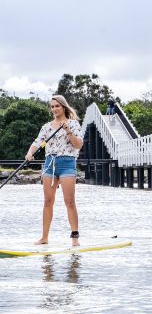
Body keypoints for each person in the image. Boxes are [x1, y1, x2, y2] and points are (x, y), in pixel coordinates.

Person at [25, 95, 83, 246]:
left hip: (67, 162)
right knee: (48, 201)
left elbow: (78, 145)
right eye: (52, 106)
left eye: (57, 106)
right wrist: (30, 152)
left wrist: (68, 131)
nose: (54, 109)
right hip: (50, 163)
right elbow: (37, 142)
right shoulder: (46, 127)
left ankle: (75, 238)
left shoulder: (74, 124)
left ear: (63, 107)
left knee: (69, 201)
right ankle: (44, 237)